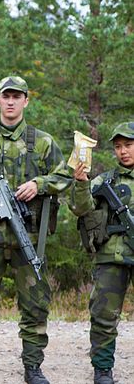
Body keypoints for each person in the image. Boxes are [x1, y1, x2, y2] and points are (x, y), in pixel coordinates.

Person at [0, 76, 72, 384]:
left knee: (34, 306)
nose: (10, 101)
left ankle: (33, 367)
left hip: (27, 239)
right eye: (5, 95)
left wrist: (39, 184)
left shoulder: (42, 141)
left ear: (25, 101)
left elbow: (66, 175)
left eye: (16, 96)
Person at [70, 121, 134, 384]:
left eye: (128, 145)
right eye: (118, 147)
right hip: (111, 257)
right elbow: (79, 207)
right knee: (103, 316)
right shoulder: (104, 180)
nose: (123, 151)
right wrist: (82, 182)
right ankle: (103, 369)